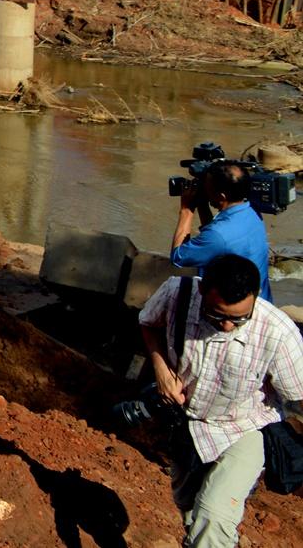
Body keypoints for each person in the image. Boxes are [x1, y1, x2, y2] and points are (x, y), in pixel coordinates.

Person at [139, 253, 303, 547]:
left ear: (254, 297)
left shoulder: (278, 333)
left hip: (245, 428)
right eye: (217, 315)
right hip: (187, 425)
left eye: (239, 318)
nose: (227, 326)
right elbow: (149, 323)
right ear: (202, 291)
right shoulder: (177, 293)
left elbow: (300, 396)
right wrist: (161, 369)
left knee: (214, 516)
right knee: (190, 512)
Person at [172, 161, 273, 301]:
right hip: (260, 300)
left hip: (234, 307)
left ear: (221, 197)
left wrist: (186, 210)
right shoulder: (251, 210)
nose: (204, 190)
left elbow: (178, 258)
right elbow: (218, 236)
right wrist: (201, 204)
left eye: (206, 187)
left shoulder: (217, 236)